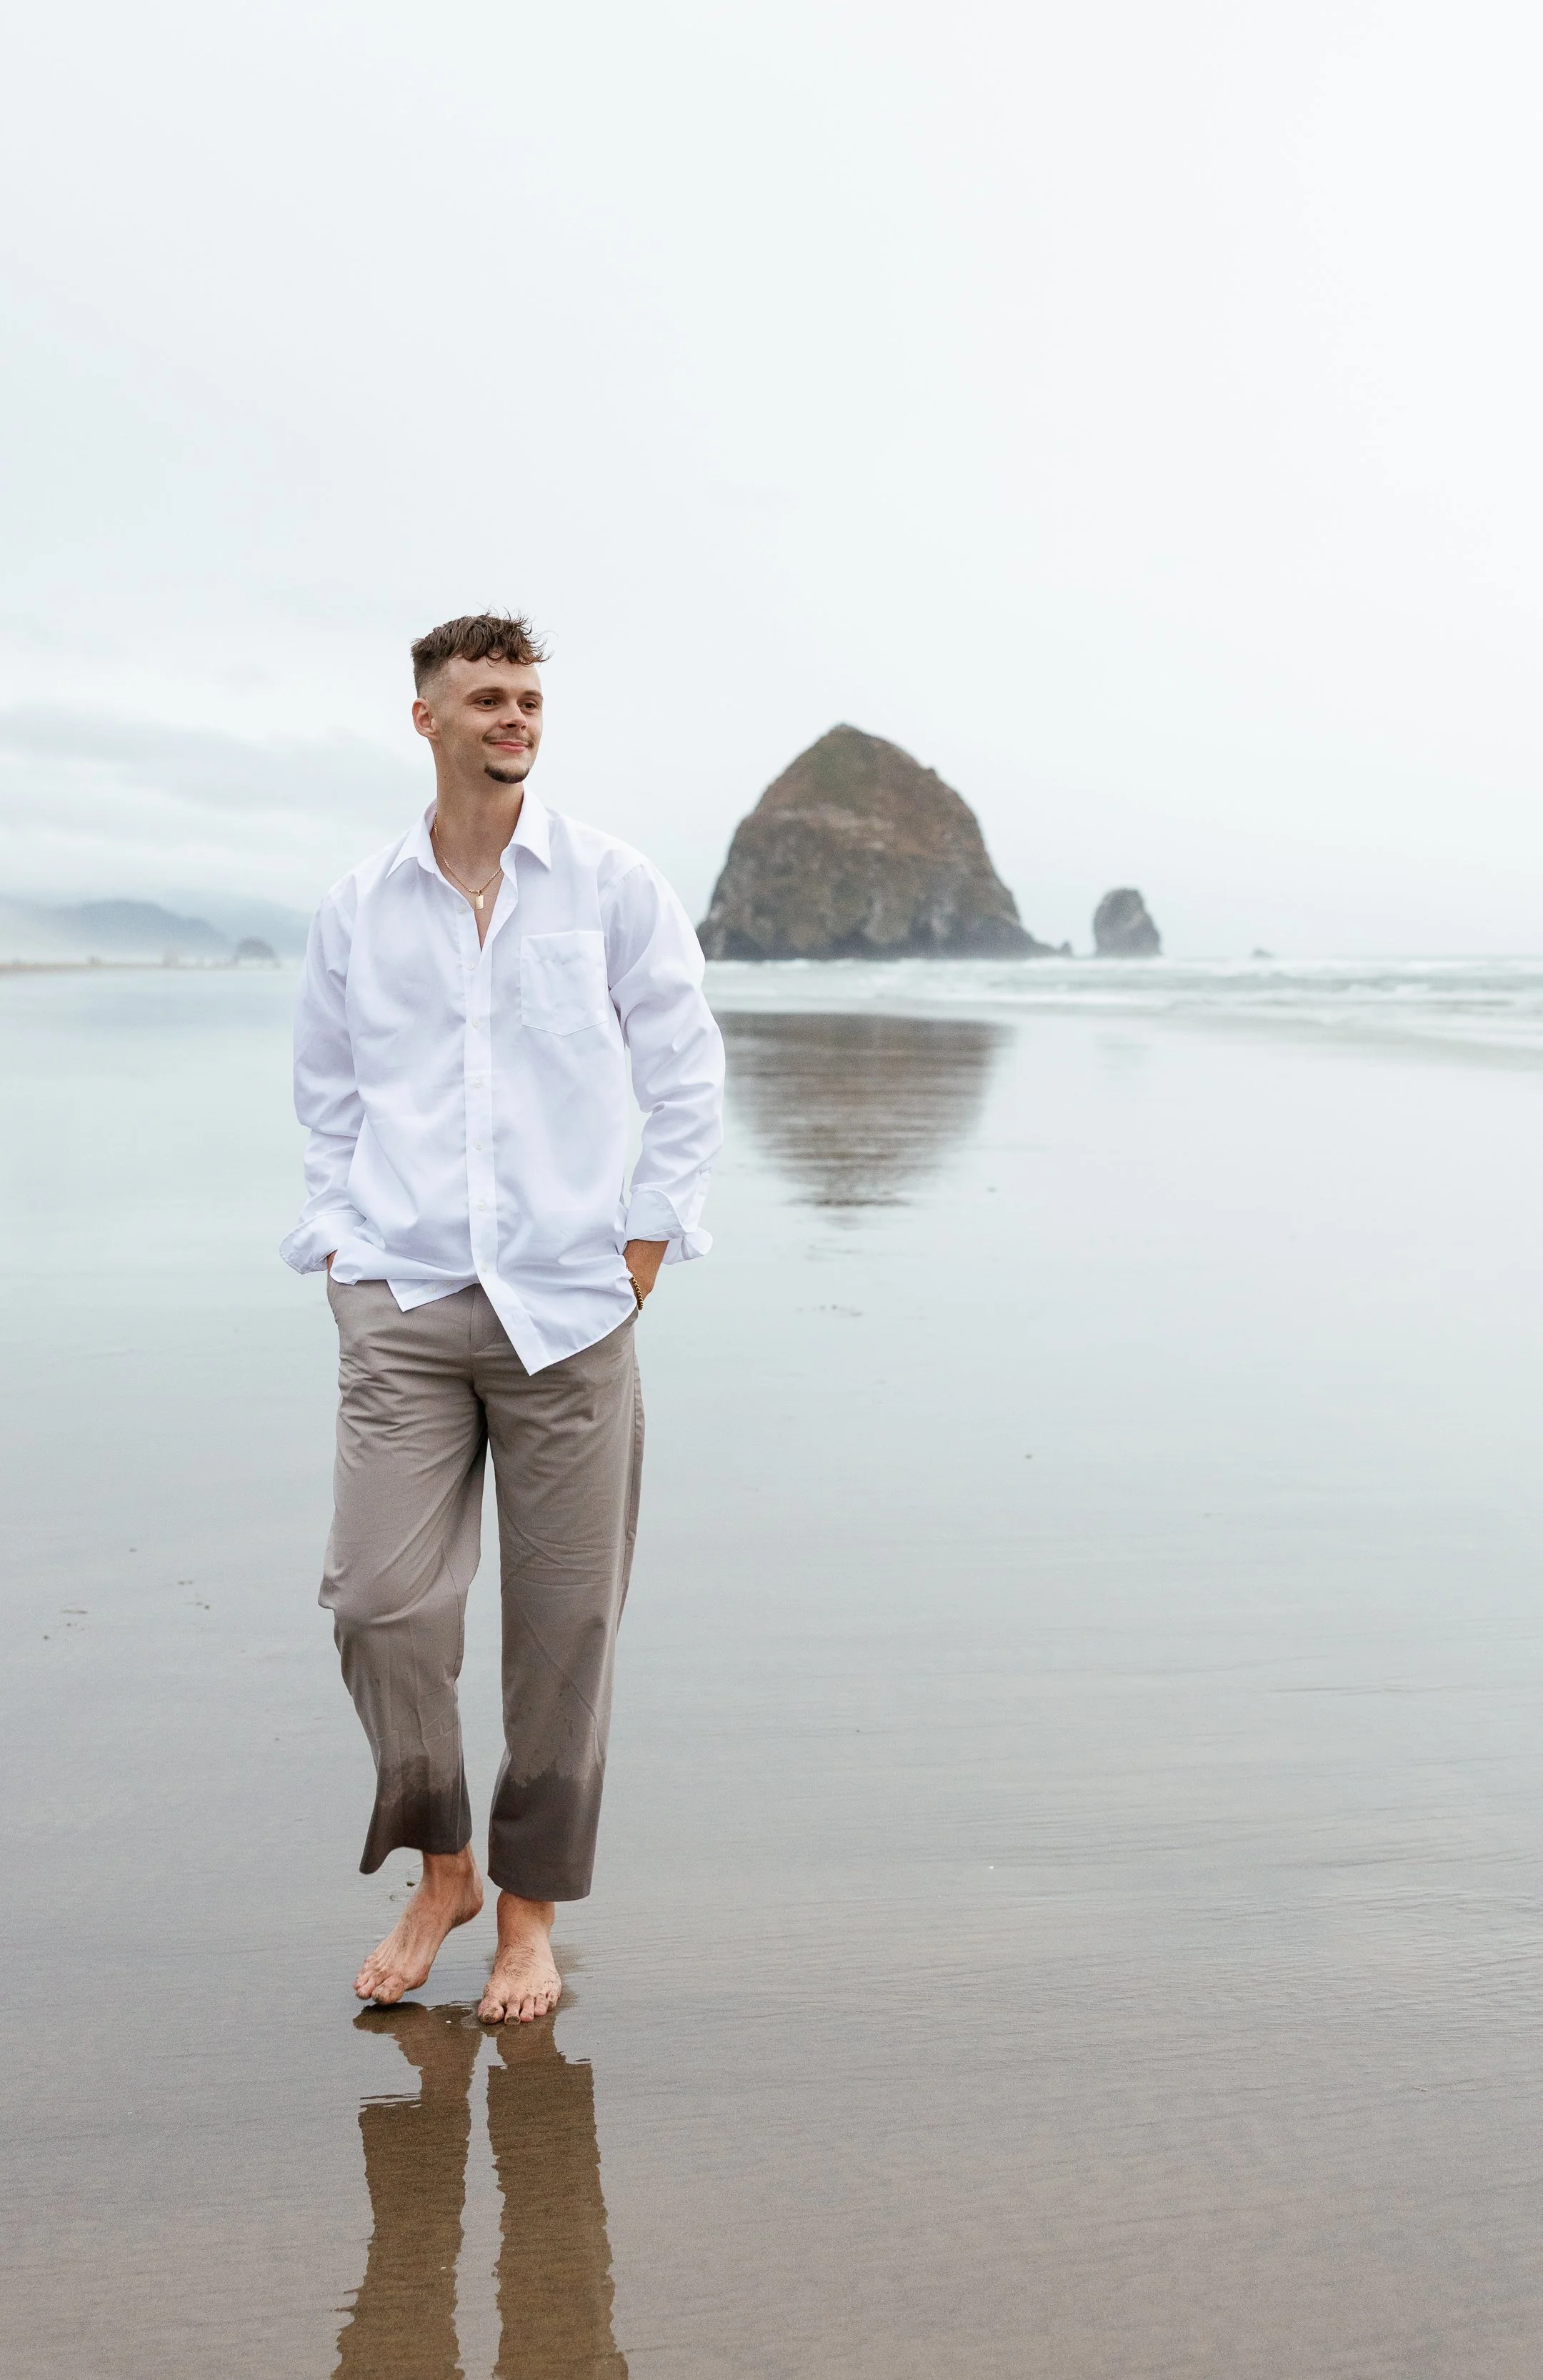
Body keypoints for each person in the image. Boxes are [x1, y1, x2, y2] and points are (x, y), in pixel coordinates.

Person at [281, 612, 724, 2022]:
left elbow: (685, 1062)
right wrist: (345, 1249)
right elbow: (327, 1090)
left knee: (562, 1627)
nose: (514, 717)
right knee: (377, 1605)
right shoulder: (360, 906)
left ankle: (524, 1920)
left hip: (572, 1307)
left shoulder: (612, 887)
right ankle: (444, 1861)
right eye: (485, 697)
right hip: (403, 1299)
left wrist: (646, 1244)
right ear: (428, 719)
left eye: (529, 695)